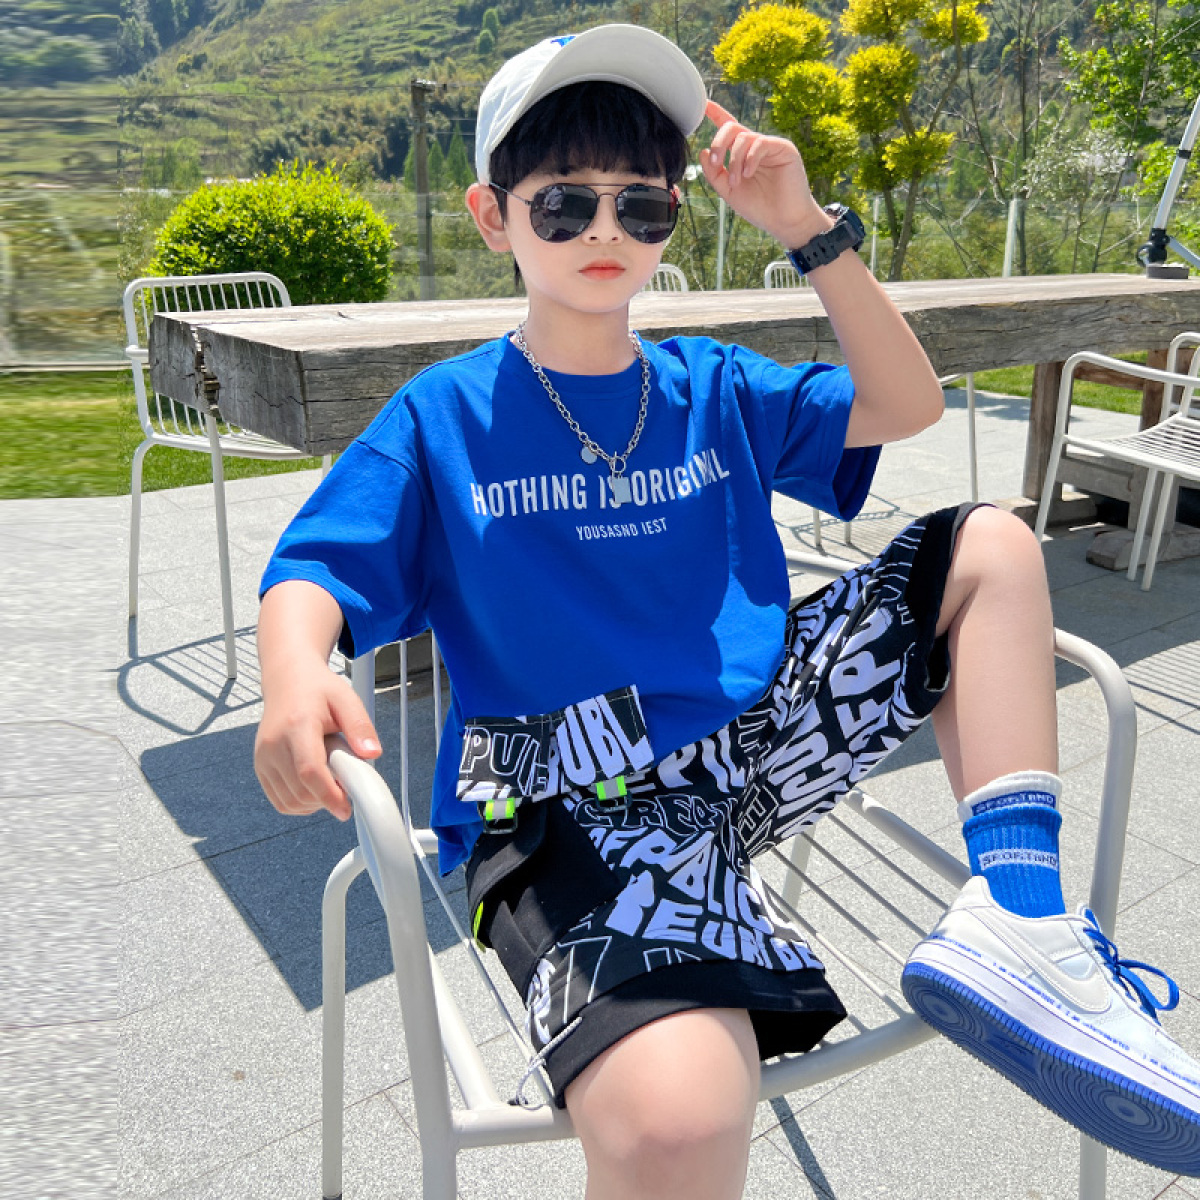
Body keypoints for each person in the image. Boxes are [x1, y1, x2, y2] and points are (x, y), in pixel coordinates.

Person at [254, 24, 1200, 1197]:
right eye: (564, 205)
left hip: (752, 743)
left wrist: (809, 229)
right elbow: (314, 572)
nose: (606, 231)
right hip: (564, 794)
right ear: (493, 216)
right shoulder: (442, 415)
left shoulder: (710, 384)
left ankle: (1025, 925)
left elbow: (904, 404)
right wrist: (295, 672)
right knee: (677, 1122)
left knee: (992, 546)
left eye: (642, 205)